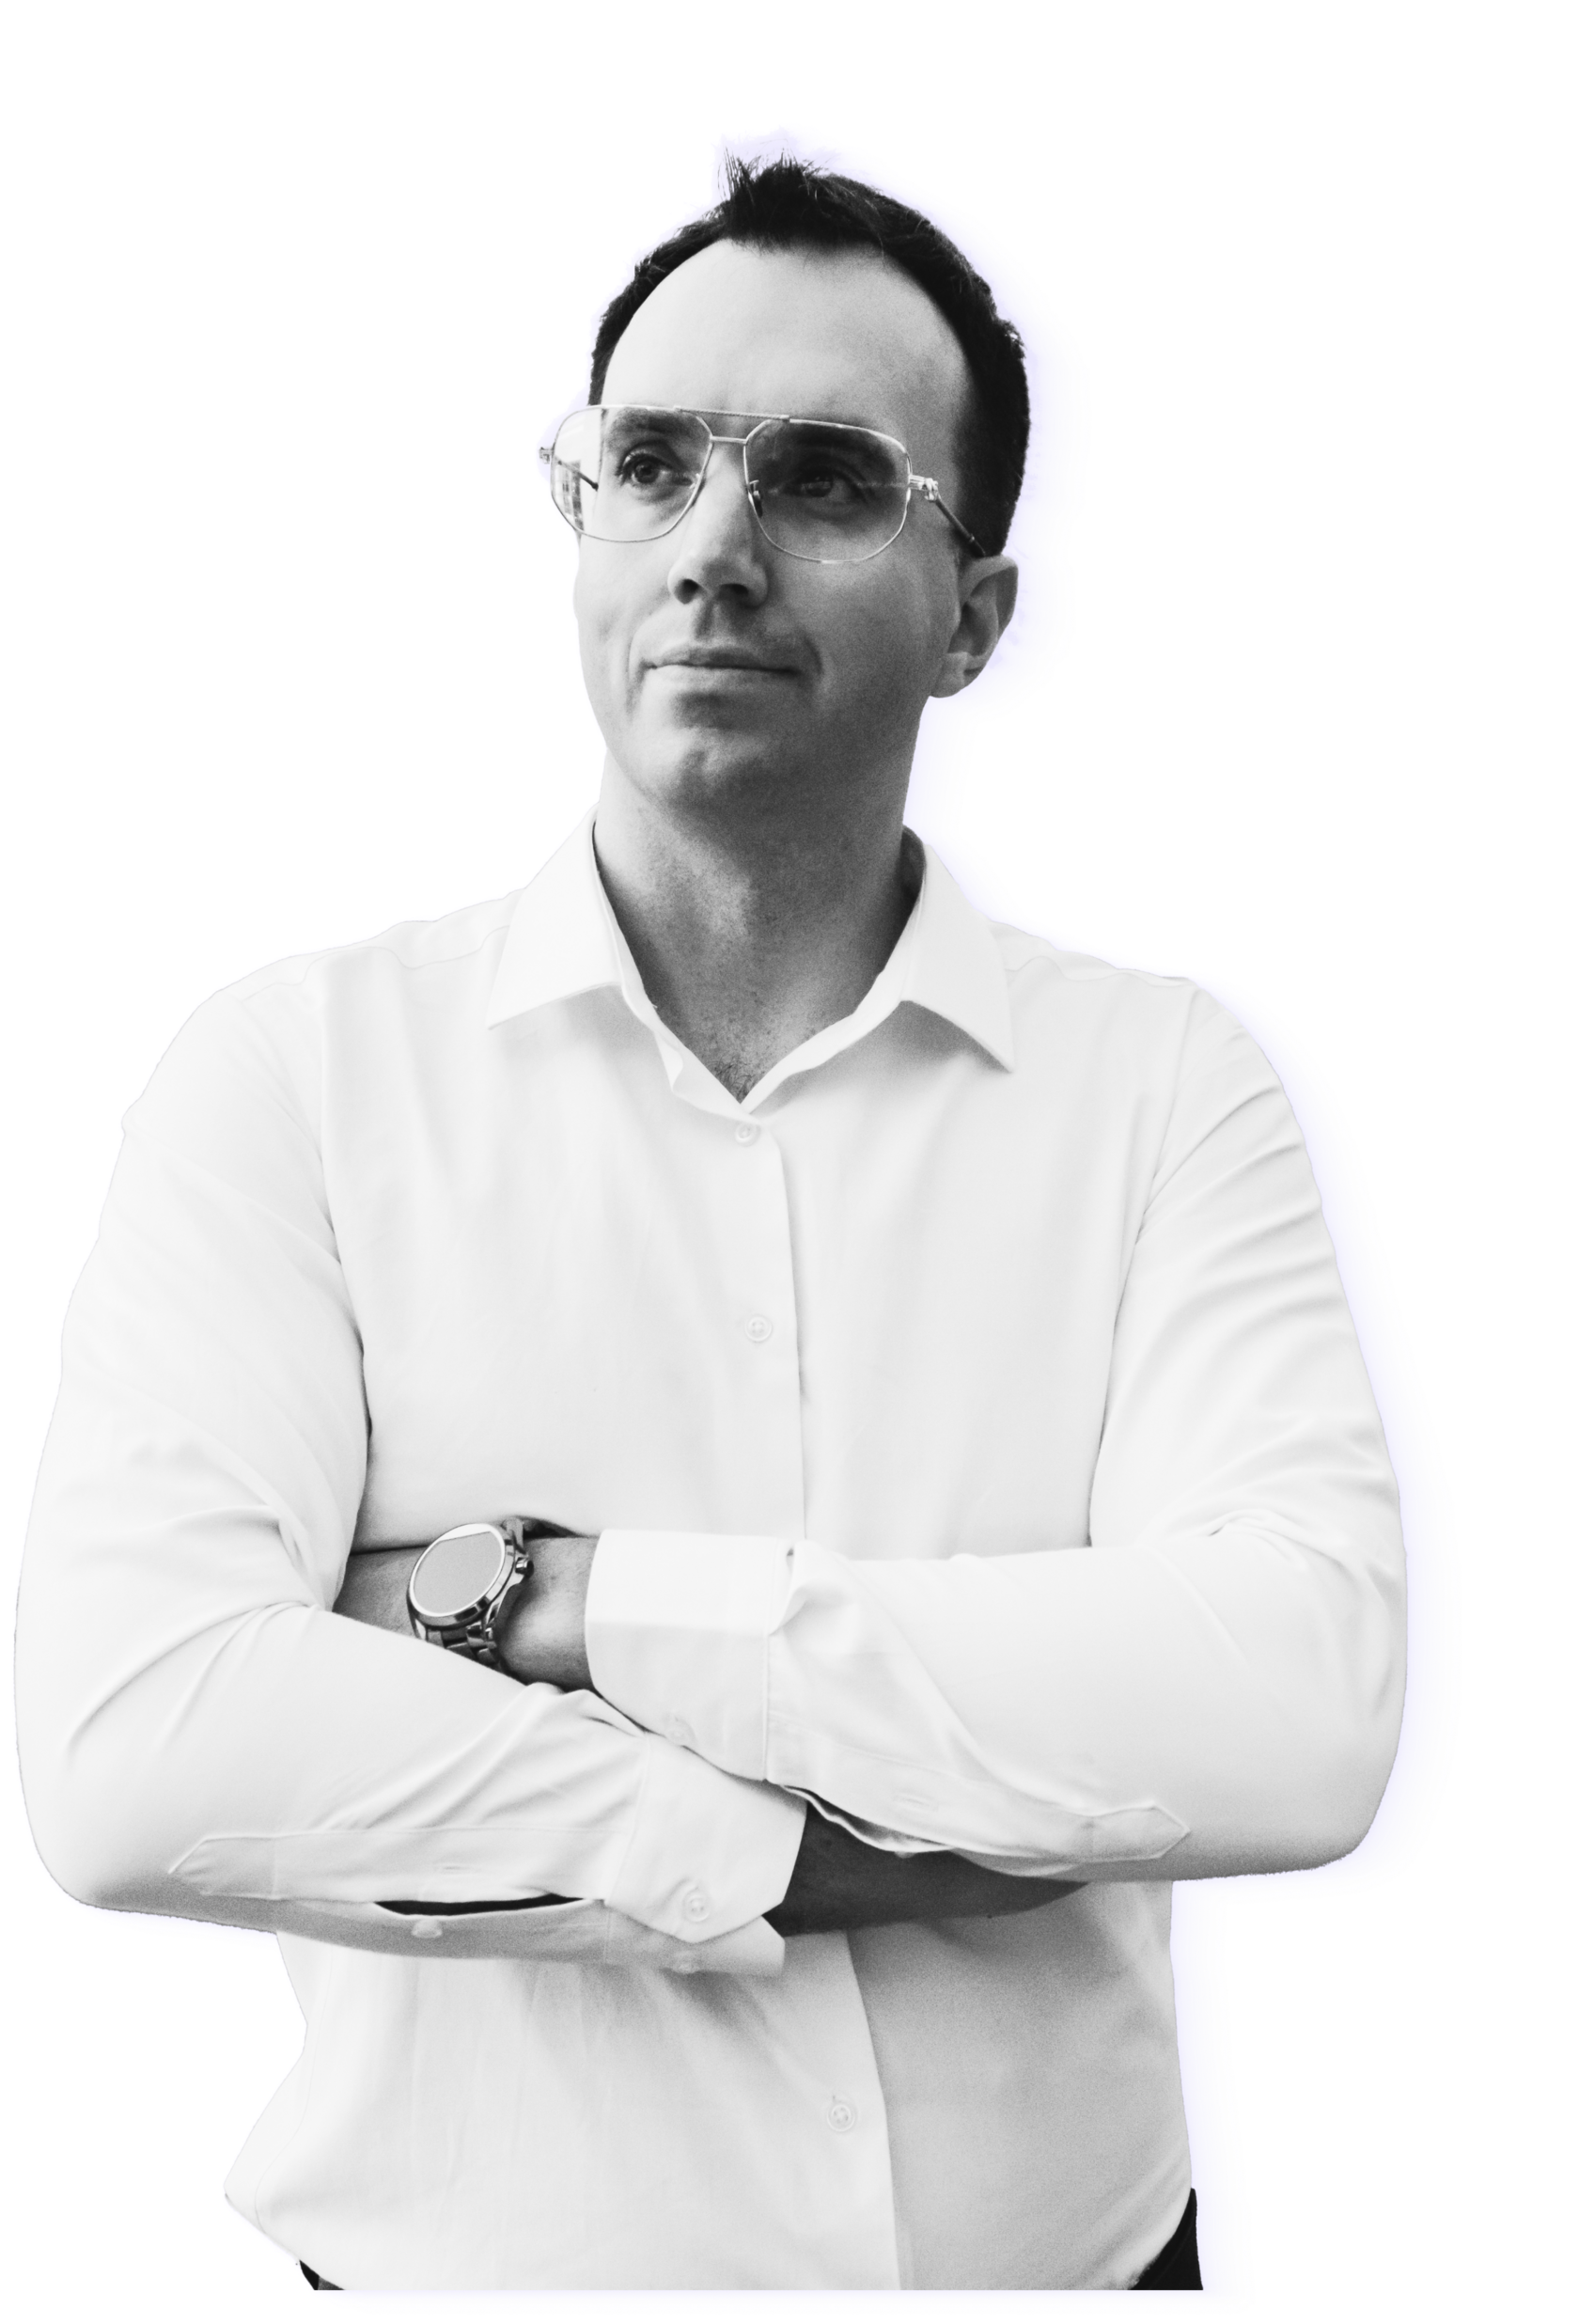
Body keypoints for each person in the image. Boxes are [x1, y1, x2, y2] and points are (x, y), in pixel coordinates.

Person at [13, 149, 1408, 2296]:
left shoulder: (1170, 1089)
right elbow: (139, 1754)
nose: (714, 552)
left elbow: (1295, 1717)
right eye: (651, 465)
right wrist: (763, 1855)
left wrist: (561, 1605)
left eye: (826, 481)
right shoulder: (286, 1076)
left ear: (983, 619)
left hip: (1072, 2281)